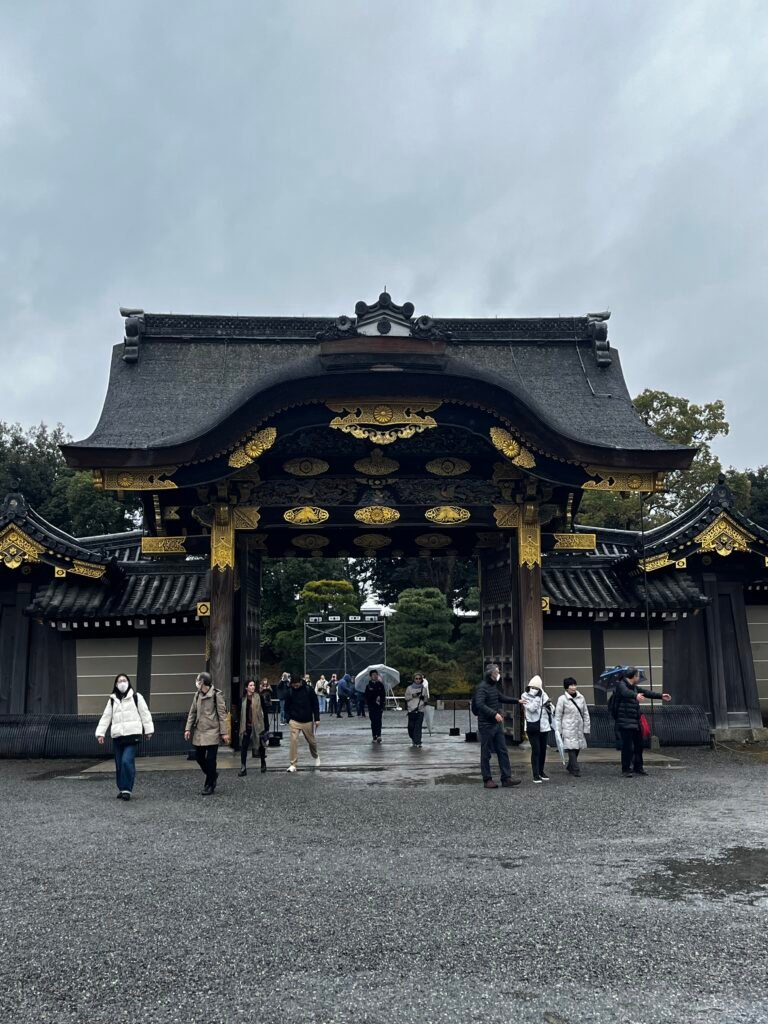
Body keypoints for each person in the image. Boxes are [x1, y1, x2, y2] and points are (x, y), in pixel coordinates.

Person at [95, 673, 154, 800]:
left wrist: (148, 730)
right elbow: (106, 717)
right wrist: (100, 733)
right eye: (119, 681)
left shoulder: (136, 697)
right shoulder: (112, 700)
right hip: (118, 736)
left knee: (127, 761)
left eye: (124, 680)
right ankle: (122, 788)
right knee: (119, 764)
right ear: (116, 684)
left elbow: (145, 713)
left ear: (128, 682)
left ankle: (127, 789)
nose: (122, 683)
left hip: (132, 735)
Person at [613, 668, 671, 777]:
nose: (639, 678)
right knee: (627, 747)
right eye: (638, 676)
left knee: (639, 746)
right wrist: (635, 696)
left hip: (635, 720)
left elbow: (646, 692)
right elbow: (626, 693)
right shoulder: (621, 685)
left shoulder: (634, 687)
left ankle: (638, 767)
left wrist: (660, 696)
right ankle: (626, 769)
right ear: (633, 676)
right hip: (625, 720)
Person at [472, 663, 522, 789]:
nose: (499, 674)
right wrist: (494, 714)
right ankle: (487, 779)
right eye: (497, 672)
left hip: (496, 724)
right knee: (486, 753)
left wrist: (517, 701)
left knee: (502, 750)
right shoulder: (482, 688)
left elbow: (501, 697)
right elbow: (480, 704)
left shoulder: (493, 687)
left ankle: (506, 778)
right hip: (486, 724)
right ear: (490, 674)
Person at [184, 671, 229, 795]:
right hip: (199, 731)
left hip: (212, 731)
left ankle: (209, 784)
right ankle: (213, 774)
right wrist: (188, 728)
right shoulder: (197, 695)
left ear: (203, 682)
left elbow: (222, 715)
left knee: (211, 759)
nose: (197, 682)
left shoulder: (216, 695)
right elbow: (192, 712)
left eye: (198, 680)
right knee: (199, 757)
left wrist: (224, 733)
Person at [520, 675, 554, 783]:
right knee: (536, 750)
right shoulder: (525, 695)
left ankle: (541, 771)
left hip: (544, 726)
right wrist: (538, 699)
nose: (534, 689)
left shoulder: (543, 694)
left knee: (543, 750)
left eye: (536, 688)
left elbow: (551, 708)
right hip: (532, 726)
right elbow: (531, 708)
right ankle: (535, 774)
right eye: (532, 687)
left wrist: (549, 706)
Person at [554, 677, 591, 777]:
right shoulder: (562, 699)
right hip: (567, 727)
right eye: (571, 685)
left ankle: (570, 766)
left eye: (575, 685)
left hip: (578, 726)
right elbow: (558, 715)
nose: (573, 687)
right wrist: (558, 730)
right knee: (571, 748)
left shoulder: (581, 697)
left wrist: (586, 727)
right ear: (566, 688)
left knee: (577, 747)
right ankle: (575, 769)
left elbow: (585, 713)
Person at [284, 674, 321, 772]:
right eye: (293, 684)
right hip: (294, 720)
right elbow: (286, 706)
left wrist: (317, 718)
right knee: (293, 741)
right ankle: (293, 764)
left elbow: (315, 704)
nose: (295, 686)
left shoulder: (308, 690)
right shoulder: (290, 692)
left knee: (311, 741)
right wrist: (288, 719)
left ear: (301, 682)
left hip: (307, 720)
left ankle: (315, 755)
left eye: (297, 684)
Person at [238, 679, 266, 777]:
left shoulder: (259, 697)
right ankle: (243, 767)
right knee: (244, 747)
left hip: (257, 725)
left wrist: (265, 726)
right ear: (246, 687)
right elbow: (239, 713)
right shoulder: (243, 698)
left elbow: (264, 711)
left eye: (253, 685)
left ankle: (263, 762)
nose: (253, 687)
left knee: (260, 745)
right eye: (250, 685)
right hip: (246, 725)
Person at [404, 672, 429, 748]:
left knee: (418, 727)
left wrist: (424, 699)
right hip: (411, 710)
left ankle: (418, 741)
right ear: (414, 679)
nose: (418, 680)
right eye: (416, 678)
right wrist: (413, 695)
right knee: (411, 727)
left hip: (420, 710)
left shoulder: (423, 689)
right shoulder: (409, 688)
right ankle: (413, 739)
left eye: (419, 678)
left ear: (421, 680)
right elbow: (406, 698)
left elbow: (426, 699)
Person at [365, 669, 386, 743]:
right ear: (370, 676)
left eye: (376, 674)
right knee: (373, 721)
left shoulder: (380, 684)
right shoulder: (368, 686)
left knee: (379, 720)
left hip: (379, 706)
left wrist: (381, 702)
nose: (375, 676)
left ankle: (379, 735)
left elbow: (383, 695)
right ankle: (374, 735)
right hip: (372, 706)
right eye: (373, 675)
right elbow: (367, 697)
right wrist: (374, 698)